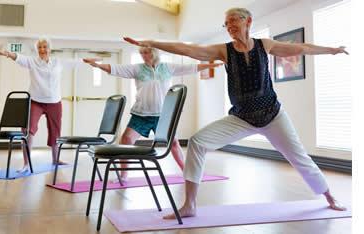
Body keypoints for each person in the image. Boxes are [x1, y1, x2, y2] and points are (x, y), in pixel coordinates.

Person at [123, 7, 348, 218]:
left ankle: (329, 196)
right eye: (226, 23)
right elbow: (188, 49)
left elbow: (301, 49)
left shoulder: (265, 45)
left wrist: (332, 50)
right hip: (241, 118)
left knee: (299, 157)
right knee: (197, 142)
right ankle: (189, 205)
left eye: (233, 21)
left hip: (273, 115)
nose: (229, 26)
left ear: (247, 21)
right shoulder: (224, 50)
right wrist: (152, 42)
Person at [84, 47, 222, 182]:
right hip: (141, 114)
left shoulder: (167, 68)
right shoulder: (137, 69)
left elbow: (190, 68)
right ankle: (124, 174)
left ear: (154, 52)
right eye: (142, 53)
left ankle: (186, 171)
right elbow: (115, 69)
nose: (144, 55)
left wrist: (212, 64)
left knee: (173, 143)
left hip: (162, 116)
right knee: (126, 140)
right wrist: (96, 65)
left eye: (147, 52)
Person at [0, 38, 86, 172]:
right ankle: (26, 164)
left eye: (45, 47)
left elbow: (75, 62)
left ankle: (56, 159)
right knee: (28, 131)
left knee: (55, 132)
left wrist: (93, 62)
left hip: (54, 102)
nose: (42, 50)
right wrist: (7, 53)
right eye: (39, 47)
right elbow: (18, 57)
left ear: (49, 49)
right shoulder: (32, 61)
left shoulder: (58, 62)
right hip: (35, 101)